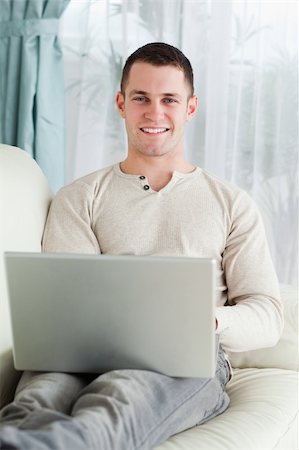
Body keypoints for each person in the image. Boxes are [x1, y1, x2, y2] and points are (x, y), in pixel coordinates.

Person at [0, 42, 283, 450]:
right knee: (35, 401)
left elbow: (268, 315)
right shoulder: (80, 197)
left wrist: (207, 319)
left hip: (184, 357)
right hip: (82, 351)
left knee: (119, 398)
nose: (154, 112)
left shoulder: (231, 203)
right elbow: (67, 298)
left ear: (190, 107)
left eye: (169, 99)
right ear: (121, 103)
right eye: (141, 98)